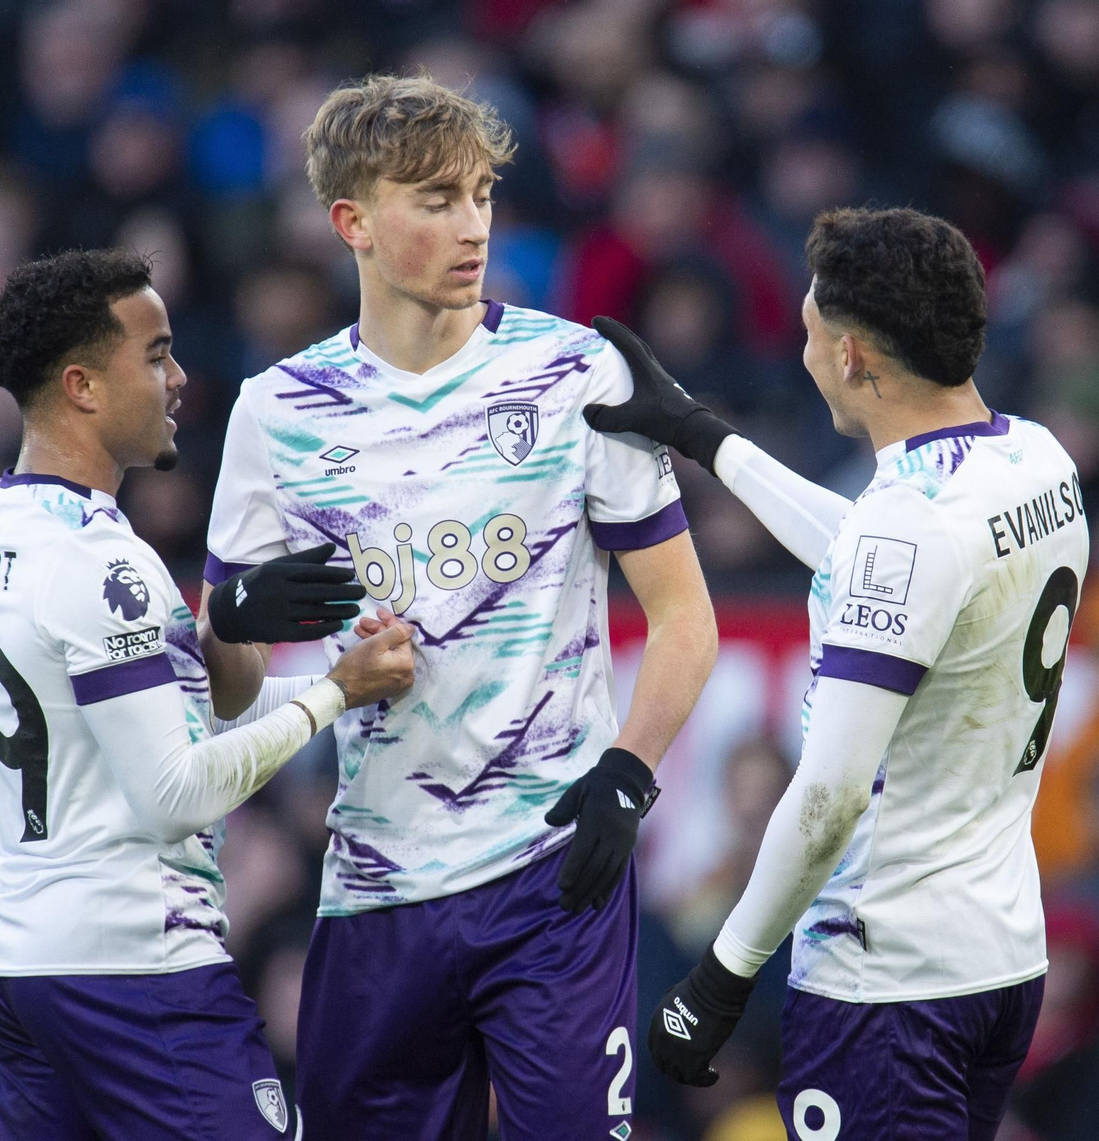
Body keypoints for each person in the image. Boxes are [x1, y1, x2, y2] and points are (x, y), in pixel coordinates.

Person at [199, 75, 717, 1140]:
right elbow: (227, 691)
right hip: (378, 883)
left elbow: (684, 618)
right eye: (436, 200)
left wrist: (628, 771)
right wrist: (234, 618)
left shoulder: (577, 374)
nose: (473, 225)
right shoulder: (276, 412)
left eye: (481, 195)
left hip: (551, 872)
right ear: (352, 222)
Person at [589, 207, 1091, 1140]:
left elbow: (830, 795)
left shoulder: (911, 526)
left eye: (813, 333)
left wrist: (724, 971)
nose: (807, 354)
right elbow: (873, 563)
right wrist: (704, 436)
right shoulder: (1033, 457)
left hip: (886, 983)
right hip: (1001, 956)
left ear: (853, 355)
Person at [0, 248, 414, 1140]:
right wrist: (332, 694)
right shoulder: (103, 560)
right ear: (83, 386)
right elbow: (176, 792)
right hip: (131, 967)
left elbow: (137, 720)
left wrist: (260, 649)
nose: (179, 378)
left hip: (16, 956)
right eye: (156, 354)